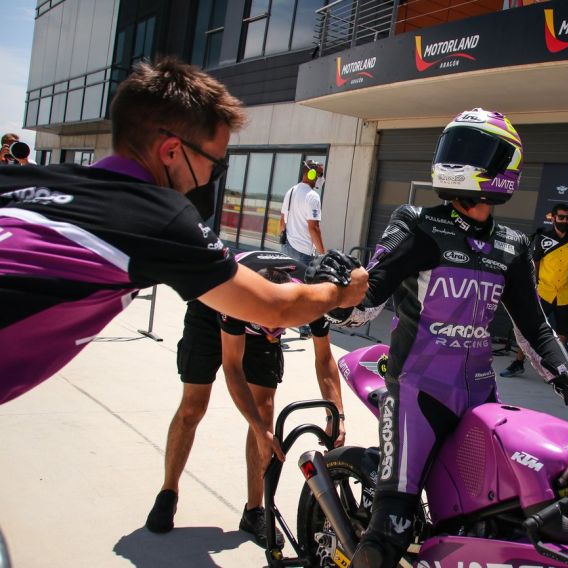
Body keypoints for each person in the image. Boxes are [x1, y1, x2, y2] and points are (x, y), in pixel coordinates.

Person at [319, 108, 568, 568]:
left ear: (505, 163)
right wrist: (334, 287)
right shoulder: (417, 223)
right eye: (452, 147)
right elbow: (365, 304)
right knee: (392, 527)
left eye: (471, 150)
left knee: (504, 517)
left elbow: (534, 329)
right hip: (416, 394)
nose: (455, 159)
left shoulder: (512, 246)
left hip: (480, 398)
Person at [0, 57, 367, 406]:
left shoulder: (26, 178)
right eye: (215, 163)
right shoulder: (159, 218)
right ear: (172, 151)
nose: (214, 178)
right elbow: (273, 307)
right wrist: (340, 293)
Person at [146, 251, 347, 545]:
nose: (271, 335)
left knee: (265, 411)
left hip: (256, 315)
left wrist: (336, 415)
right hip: (210, 311)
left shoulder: (310, 299)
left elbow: (324, 360)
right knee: (193, 407)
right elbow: (232, 366)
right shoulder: (236, 294)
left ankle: (254, 510)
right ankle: (168, 491)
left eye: (277, 326)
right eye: (265, 323)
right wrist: (259, 429)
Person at [501, 203, 568, 377]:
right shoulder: (543, 238)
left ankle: (559, 370)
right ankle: (518, 362)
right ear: (553, 217)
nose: (565, 220)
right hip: (544, 292)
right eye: (561, 217)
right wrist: (530, 287)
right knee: (529, 328)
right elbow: (536, 265)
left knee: (563, 332)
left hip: (567, 294)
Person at [280, 160, 326, 338]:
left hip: (287, 246)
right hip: (303, 251)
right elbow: (314, 228)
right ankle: (305, 328)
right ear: (312, 174)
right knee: (304, 292)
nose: (321, 178)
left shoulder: (290, 191)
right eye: (320, 174)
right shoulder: (313, 197)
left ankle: (280, 324)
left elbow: (282, 220)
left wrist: (283, 239)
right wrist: (322, 252)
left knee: (286, 287)